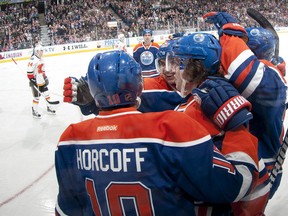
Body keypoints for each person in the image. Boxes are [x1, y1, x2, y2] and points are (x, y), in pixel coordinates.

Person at [55, 50, 259, 216]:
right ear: (140, 86)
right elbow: (235, 186)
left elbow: (66, 211)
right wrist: (237, 128)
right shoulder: (171, 129)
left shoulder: (69, 140)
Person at [167, 32, 270, 215]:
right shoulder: (208, 94)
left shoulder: (200, 105)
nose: (172, 70)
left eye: (178, 62)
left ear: (194, 67)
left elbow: (242, 177)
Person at [202, 12, 287, 199]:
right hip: (249, 164)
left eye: (245, 43)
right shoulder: (272, 74)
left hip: (258, 170)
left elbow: (243, 72)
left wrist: (231, 33)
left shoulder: (271, 79)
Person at [27, 44, 56, 118]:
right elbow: (29, 72)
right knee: (36, 98)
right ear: (37, 51)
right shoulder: (33, 60)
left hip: (42, 81)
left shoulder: (41, 59)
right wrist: (33, 81)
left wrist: (45, 77)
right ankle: (34, 111)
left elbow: (42, 70)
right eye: (41, 50)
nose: (42, 52)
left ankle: (49, 107)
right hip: (35, 82)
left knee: (47, 94)